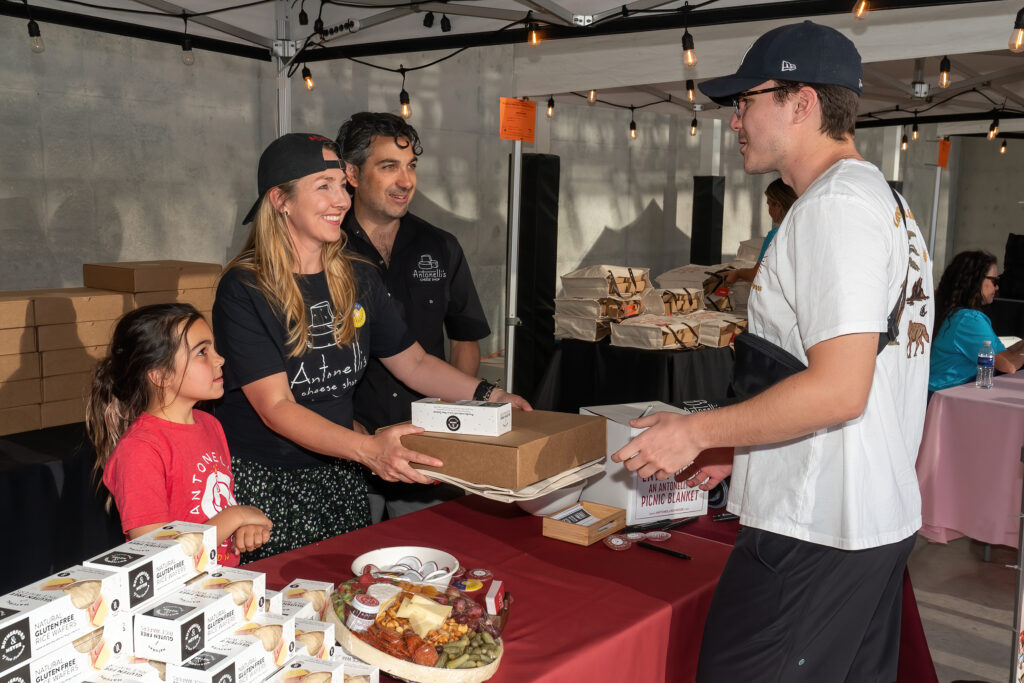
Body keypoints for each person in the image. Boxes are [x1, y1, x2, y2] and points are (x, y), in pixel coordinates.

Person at [611, 21, 933, 681]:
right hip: (863, 517)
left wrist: (696, 431)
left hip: (818, 528)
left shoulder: (834, 210)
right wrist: (738, 446)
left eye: (746, 100)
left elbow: (841, 389)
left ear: (801, 102)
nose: (735, 120)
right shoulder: (883, 202)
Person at [213, 133, 529, 560]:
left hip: (342, 474)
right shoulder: (244, 287)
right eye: (322, 186)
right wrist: (368, 451)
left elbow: (414, 362)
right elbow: (276, 407)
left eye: (342, 185)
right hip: (269, 485)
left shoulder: (357, 276)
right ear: (279, 199)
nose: (341, 200)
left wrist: (491, 396)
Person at [335, 113, 490, 520]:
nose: (405, 181)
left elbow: (464, 336)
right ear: (351, 172)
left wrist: (456, 419)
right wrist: (351, 436)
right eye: (388, 167)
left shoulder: (440, 245)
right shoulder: (325, 251)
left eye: (411, 166)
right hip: (348, 451)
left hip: (427, 451)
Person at [87, 303, 272, 567]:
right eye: (202, 352)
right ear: (161, 375)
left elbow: (213, 510)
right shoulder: (140, 450)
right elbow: (156, 552)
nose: (220, 359)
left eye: (214, 349)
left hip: (221, 585)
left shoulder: (210, 425)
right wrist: (236, 517)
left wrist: (240, 531)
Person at [930, 250, 1024, 391]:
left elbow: (1003, 354)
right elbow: (1008, 366)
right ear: (975, 281)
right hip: (944, 397)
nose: (997, 287)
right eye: (994, 281)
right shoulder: (969, 320)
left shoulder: (958, 315)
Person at [725, 178, 798, 284]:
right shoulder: (803, 231)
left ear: (778, 205)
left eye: (769, 205)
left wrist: (737, 273)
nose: (768, 210)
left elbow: (757, 273)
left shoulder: (775, 236)